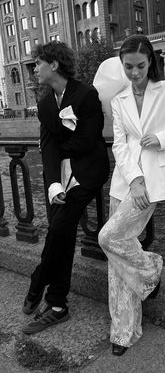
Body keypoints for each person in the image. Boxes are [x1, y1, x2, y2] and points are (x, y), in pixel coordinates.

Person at [94, 35, 165, 356]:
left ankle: (151, 269)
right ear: (122, 64)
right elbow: (120, 144)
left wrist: (163, 137)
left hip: (154, 180)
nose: (135, 72)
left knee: (108, 239)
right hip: (125, 181)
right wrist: (134, 179)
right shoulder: (120, 98)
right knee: (116, 257)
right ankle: (124, 330)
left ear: (150, 61)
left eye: (140, 65)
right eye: (128, 67)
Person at [22, 41, 110, 335]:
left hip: (87, 172)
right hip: (61, 176)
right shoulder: (46, 104)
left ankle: (39, 281)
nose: (34, 69)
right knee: (61, 231)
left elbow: (87, 140)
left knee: (58, 229)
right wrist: (53, 184)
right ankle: (57, 304)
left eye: (37, 63)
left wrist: (56, 150)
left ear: (54, 65)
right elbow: (47, 149)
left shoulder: (86, 94)